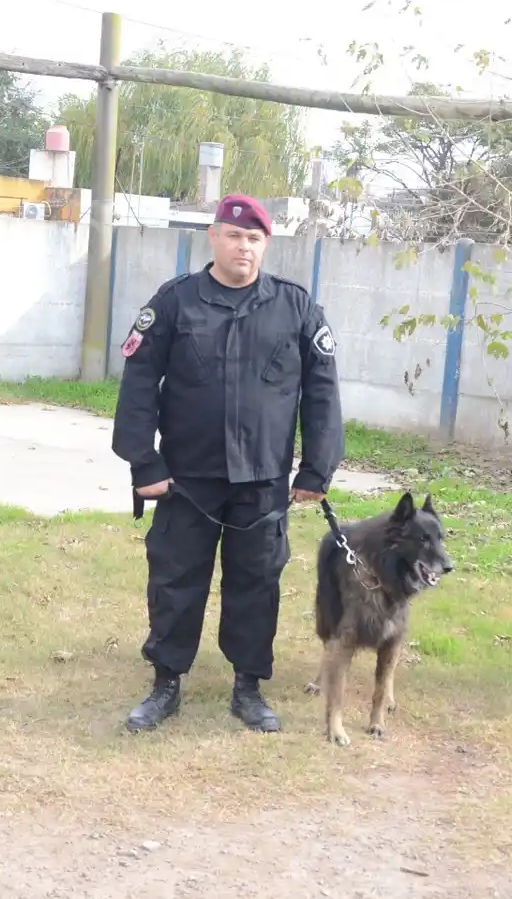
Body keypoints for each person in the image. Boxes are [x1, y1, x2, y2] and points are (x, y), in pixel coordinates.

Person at [111, 193, 345, 733]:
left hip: (262, 481)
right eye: (235, 236)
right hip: (185, 479)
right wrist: (143, 463)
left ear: (266, 244)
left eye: (255, 238)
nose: (245, 246)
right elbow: (139, 381)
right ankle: (165, 684)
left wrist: (317, 470)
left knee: (256, 582)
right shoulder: (174, 302)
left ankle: (248, 688)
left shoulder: (295, 306)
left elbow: (323, 392)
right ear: (213, 237)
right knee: (175, 580)